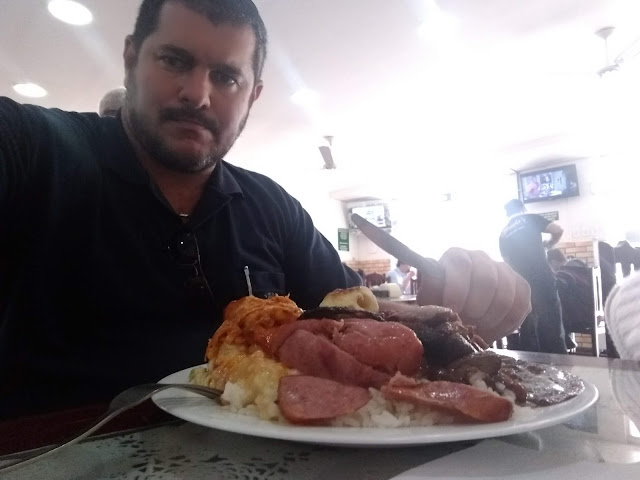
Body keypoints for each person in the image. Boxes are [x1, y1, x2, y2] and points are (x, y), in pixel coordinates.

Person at [0, 0, 530, 419]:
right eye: (174, 60)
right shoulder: (41, 149)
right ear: (131, 59)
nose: (197, 94)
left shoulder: (273, 207)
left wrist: (446, 305)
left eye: (226, 77)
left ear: (252, 95)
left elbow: (352, 311)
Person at [499, 199, 567, 353]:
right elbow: (557, 230)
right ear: (522, 208)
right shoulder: (530, 218)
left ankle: (533, 363)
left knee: (528, 326)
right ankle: (559, 363)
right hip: (543, 278)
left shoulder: (503, 234)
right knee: (552, 324)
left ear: (507, 214)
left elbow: (507, 263)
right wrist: (549, 244)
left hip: (522, 285)